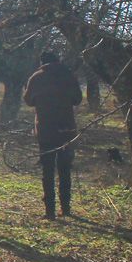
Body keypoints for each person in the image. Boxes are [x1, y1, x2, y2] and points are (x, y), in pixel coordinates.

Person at [23, 51, 83, 219]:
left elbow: (28, 101)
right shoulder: (68, 76)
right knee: (65, 169)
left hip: (45, 130)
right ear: (58, 60)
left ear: (42, 62)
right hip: (66, 129)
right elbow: (77, 99)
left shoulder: (36, 77)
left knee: (47, 170)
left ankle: (49, 211)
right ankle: (66, 208)